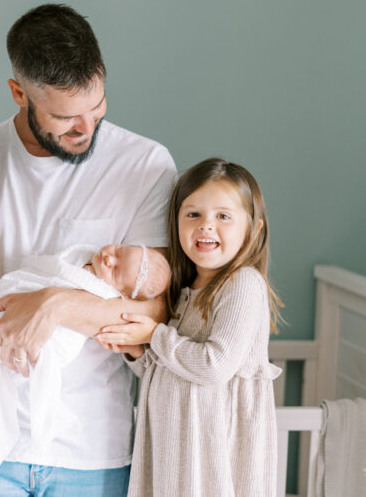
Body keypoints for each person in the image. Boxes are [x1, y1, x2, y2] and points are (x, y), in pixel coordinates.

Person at [0, 3, 177, 495]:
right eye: (66, 119)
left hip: (92, 449)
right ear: (19, 93)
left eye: (98, 109)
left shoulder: (145, 165)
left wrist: (56, 303)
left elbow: (153, 311)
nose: (86, 130)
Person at [97, 157, 284, 497]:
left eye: (223, 216)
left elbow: (214, 366)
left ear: (254, 229)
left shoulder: (242, 284)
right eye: (193, 214)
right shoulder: (184, 288)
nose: (206, 226)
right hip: (177, 450)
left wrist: (154, 334)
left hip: (212, 454)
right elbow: (178, 370)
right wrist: (140, 352)